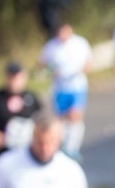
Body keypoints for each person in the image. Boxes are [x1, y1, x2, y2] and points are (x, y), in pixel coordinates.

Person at [39, 21, 92, 158]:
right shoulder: (52, 46)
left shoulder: (80, 43)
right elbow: (42, 64)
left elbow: (88, 63)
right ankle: (62, 144)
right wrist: (51, 71)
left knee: (75, 115)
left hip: (77, 86)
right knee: (61, 118)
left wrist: (82, 70)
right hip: (60, 88)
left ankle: (73, 147)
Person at [0, 61, 40, 160]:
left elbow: (42, 119)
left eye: (16, 77)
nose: (13, 80)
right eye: (10, 77)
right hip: (3, 153)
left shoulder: (31, 98)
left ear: (24, 77)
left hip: (26, 153)